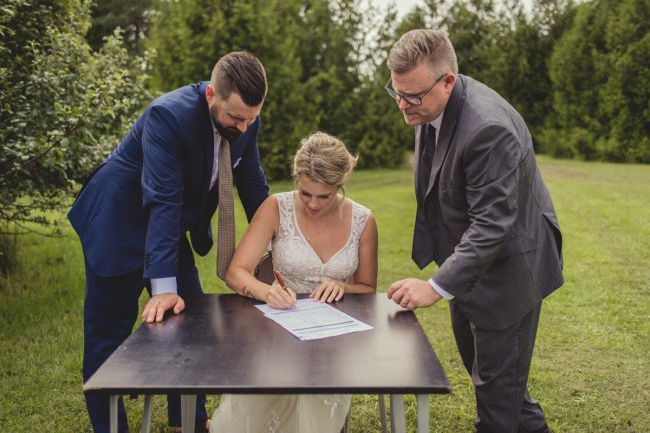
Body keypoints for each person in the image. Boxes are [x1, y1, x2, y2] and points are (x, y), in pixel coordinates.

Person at [68, 51, 270, 433]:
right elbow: (163, 199)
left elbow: (253, 184)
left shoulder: (246, 119)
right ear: (211, 95)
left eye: (252, 118)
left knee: (192, 323)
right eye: (236, 118)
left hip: (168, 227)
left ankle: (188, 422)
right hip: (118, 224)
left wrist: (277, 249)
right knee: (107, 338)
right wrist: (163, 289)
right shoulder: (168, 115)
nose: (244, 128)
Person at [384, 29, 563, 433]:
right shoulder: (427, 104)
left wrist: (436, 286)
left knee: (497, 404)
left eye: (412, 96)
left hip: (508, 274)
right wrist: (449, 274)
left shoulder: (488, 129)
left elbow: (491, 224)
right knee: (500, 387)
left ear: (447, 81)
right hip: (466, 270)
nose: (402, 105)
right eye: (395, 92)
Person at [209, 131, 378, 433]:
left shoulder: (364, 221)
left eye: (324, 196)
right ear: (297, 179)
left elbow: (367, 289)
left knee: (315, 410)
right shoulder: (277, 207)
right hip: (275, 332)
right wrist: (266, 292)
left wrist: (343, 286)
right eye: (305, 193)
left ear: (340, 184)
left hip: (333, 342)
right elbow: (236, 271)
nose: (312, 203)